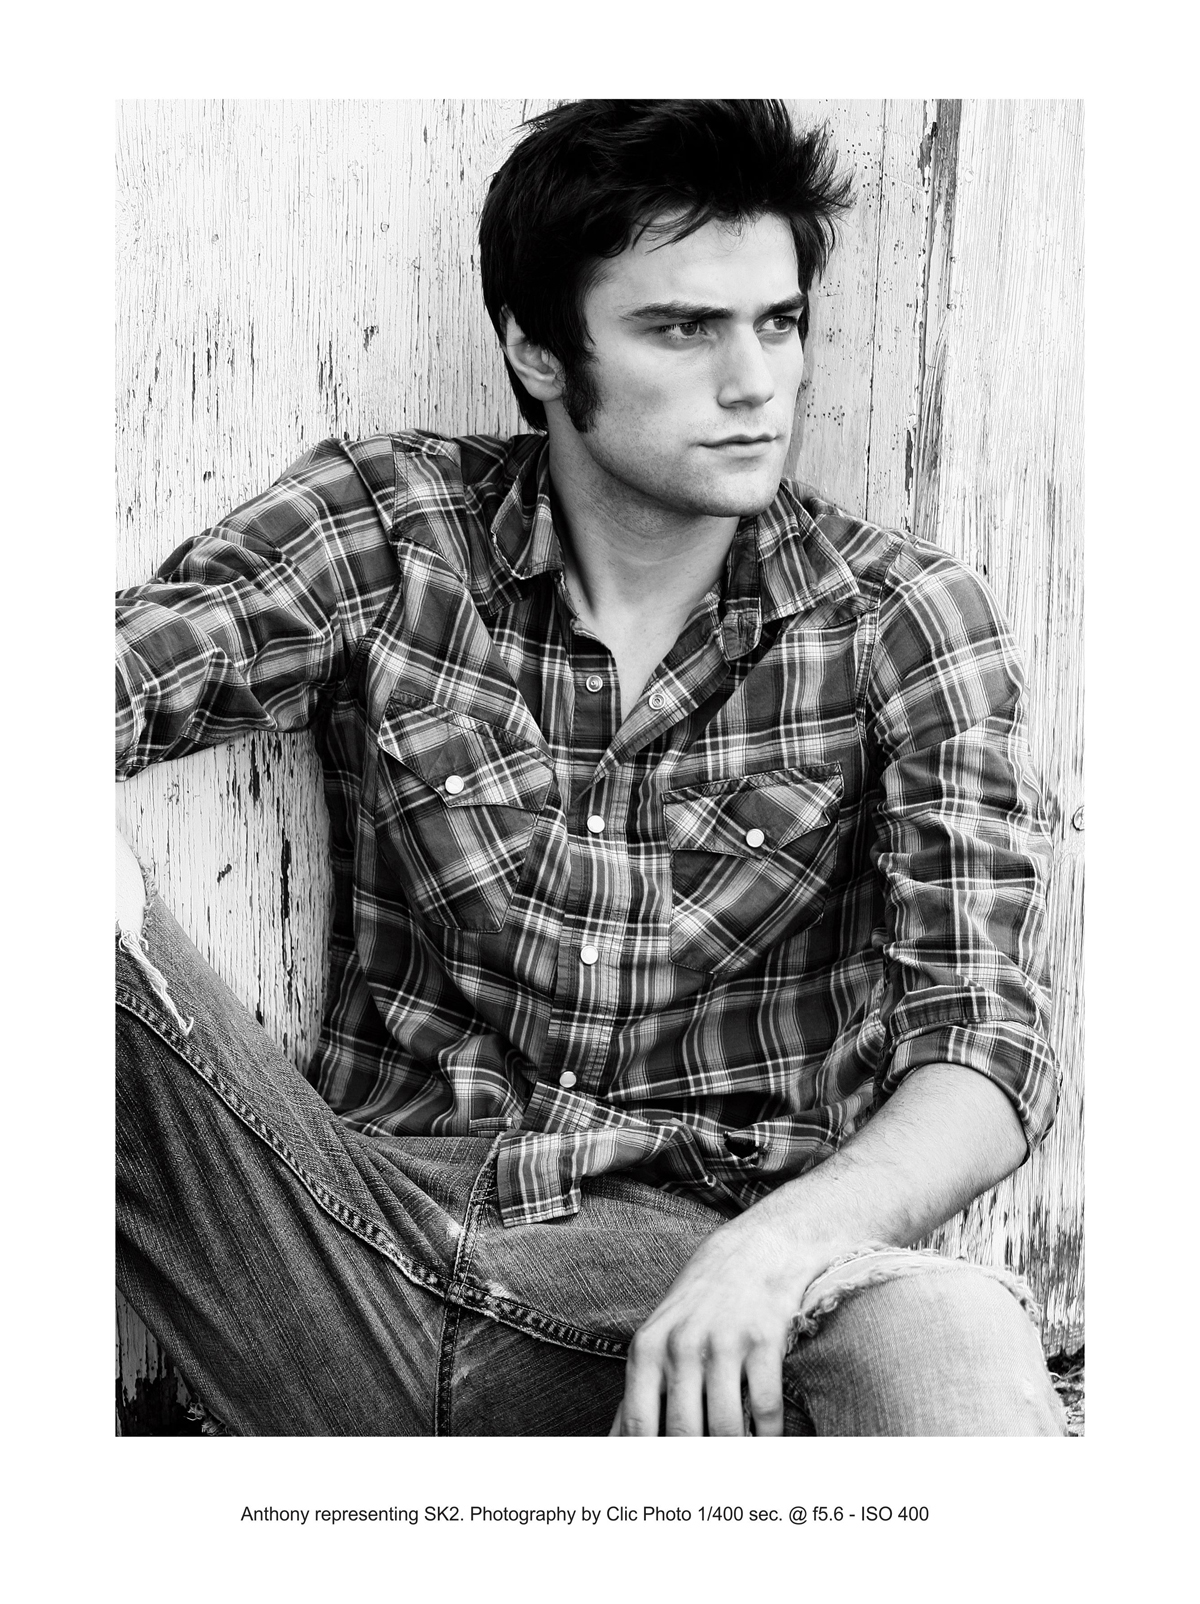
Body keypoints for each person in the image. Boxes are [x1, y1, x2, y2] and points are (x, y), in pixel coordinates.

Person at [116, 98, 1066, 1436]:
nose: (756, 383)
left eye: (778, 323)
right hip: (338, 1246)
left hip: (682, 1297)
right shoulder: (398, 528)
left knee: (946, 1327)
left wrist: (780, 1246)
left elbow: (983, 1040)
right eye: (684, 328)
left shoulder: (900, 620)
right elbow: (125, 674)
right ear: (539, 351)